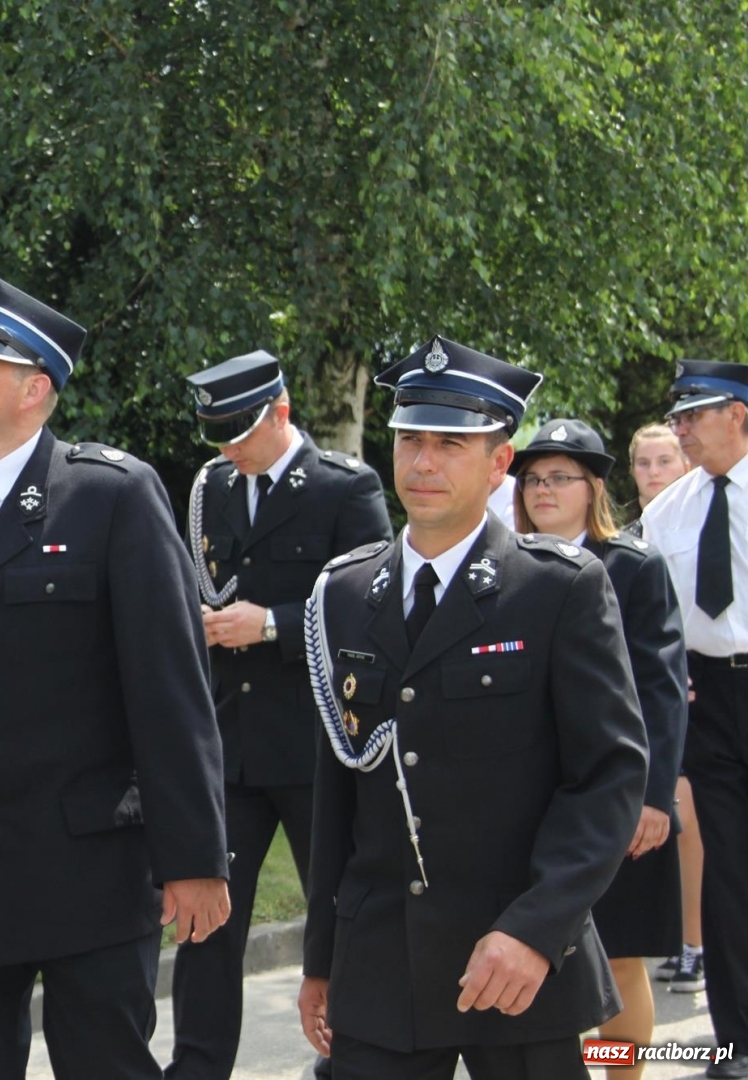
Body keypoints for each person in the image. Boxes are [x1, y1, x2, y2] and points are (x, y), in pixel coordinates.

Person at [0, 276, 230, 1079]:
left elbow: (169, 690)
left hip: (86, 868)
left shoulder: (109, 496)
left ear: (35, 390)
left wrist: (195, 855)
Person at [298, 337, 648, 1080]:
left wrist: (536, 929)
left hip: (515, 960)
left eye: (450, 444)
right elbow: (338, 793)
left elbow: (608, 777)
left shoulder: (556, 588)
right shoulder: (346, 592)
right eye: (411, 440)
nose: (424, 463)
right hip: (382, 959)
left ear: (498, 464)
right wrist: (321, 957)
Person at [167, 351, 391, 1080]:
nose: (229, 449)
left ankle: (355, 1057)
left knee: (341, 910)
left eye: (240, 433)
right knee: (206, 917)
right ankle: (197, 1067)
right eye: (219, 437)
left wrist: (271, 624)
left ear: (282, 411)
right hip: (230, 741)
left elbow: (373, 606)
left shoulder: (343, 487)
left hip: (313, 741)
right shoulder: (213, 487)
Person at [512, 419, 686, 1080]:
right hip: (531, 793)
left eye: (560, 477)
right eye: (533, 479)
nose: (543, 490)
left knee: (618, 955)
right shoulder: (506, 566)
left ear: (593, 488)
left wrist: (654, 797)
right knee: (530, 949)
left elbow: (662, 690)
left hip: (615, 793)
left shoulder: (633, 567)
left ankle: (622, 1075)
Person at [640, 359, 748, 1079]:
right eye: (675, 416)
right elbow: (655, 620)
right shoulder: (666, 512)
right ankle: (736, 1040)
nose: (680, 428)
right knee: (729, 875)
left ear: (737, 414)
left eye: (693, 415)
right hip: (708, 696)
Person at [625, 421, 707, 994]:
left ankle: (695, 943)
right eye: (643, 463)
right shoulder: (628, 535)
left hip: (700, 680)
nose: (653, 473)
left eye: (664, 461)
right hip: (649, 686)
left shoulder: (702, 515)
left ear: (684, 464)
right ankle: (678, 938)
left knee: (687, 818)